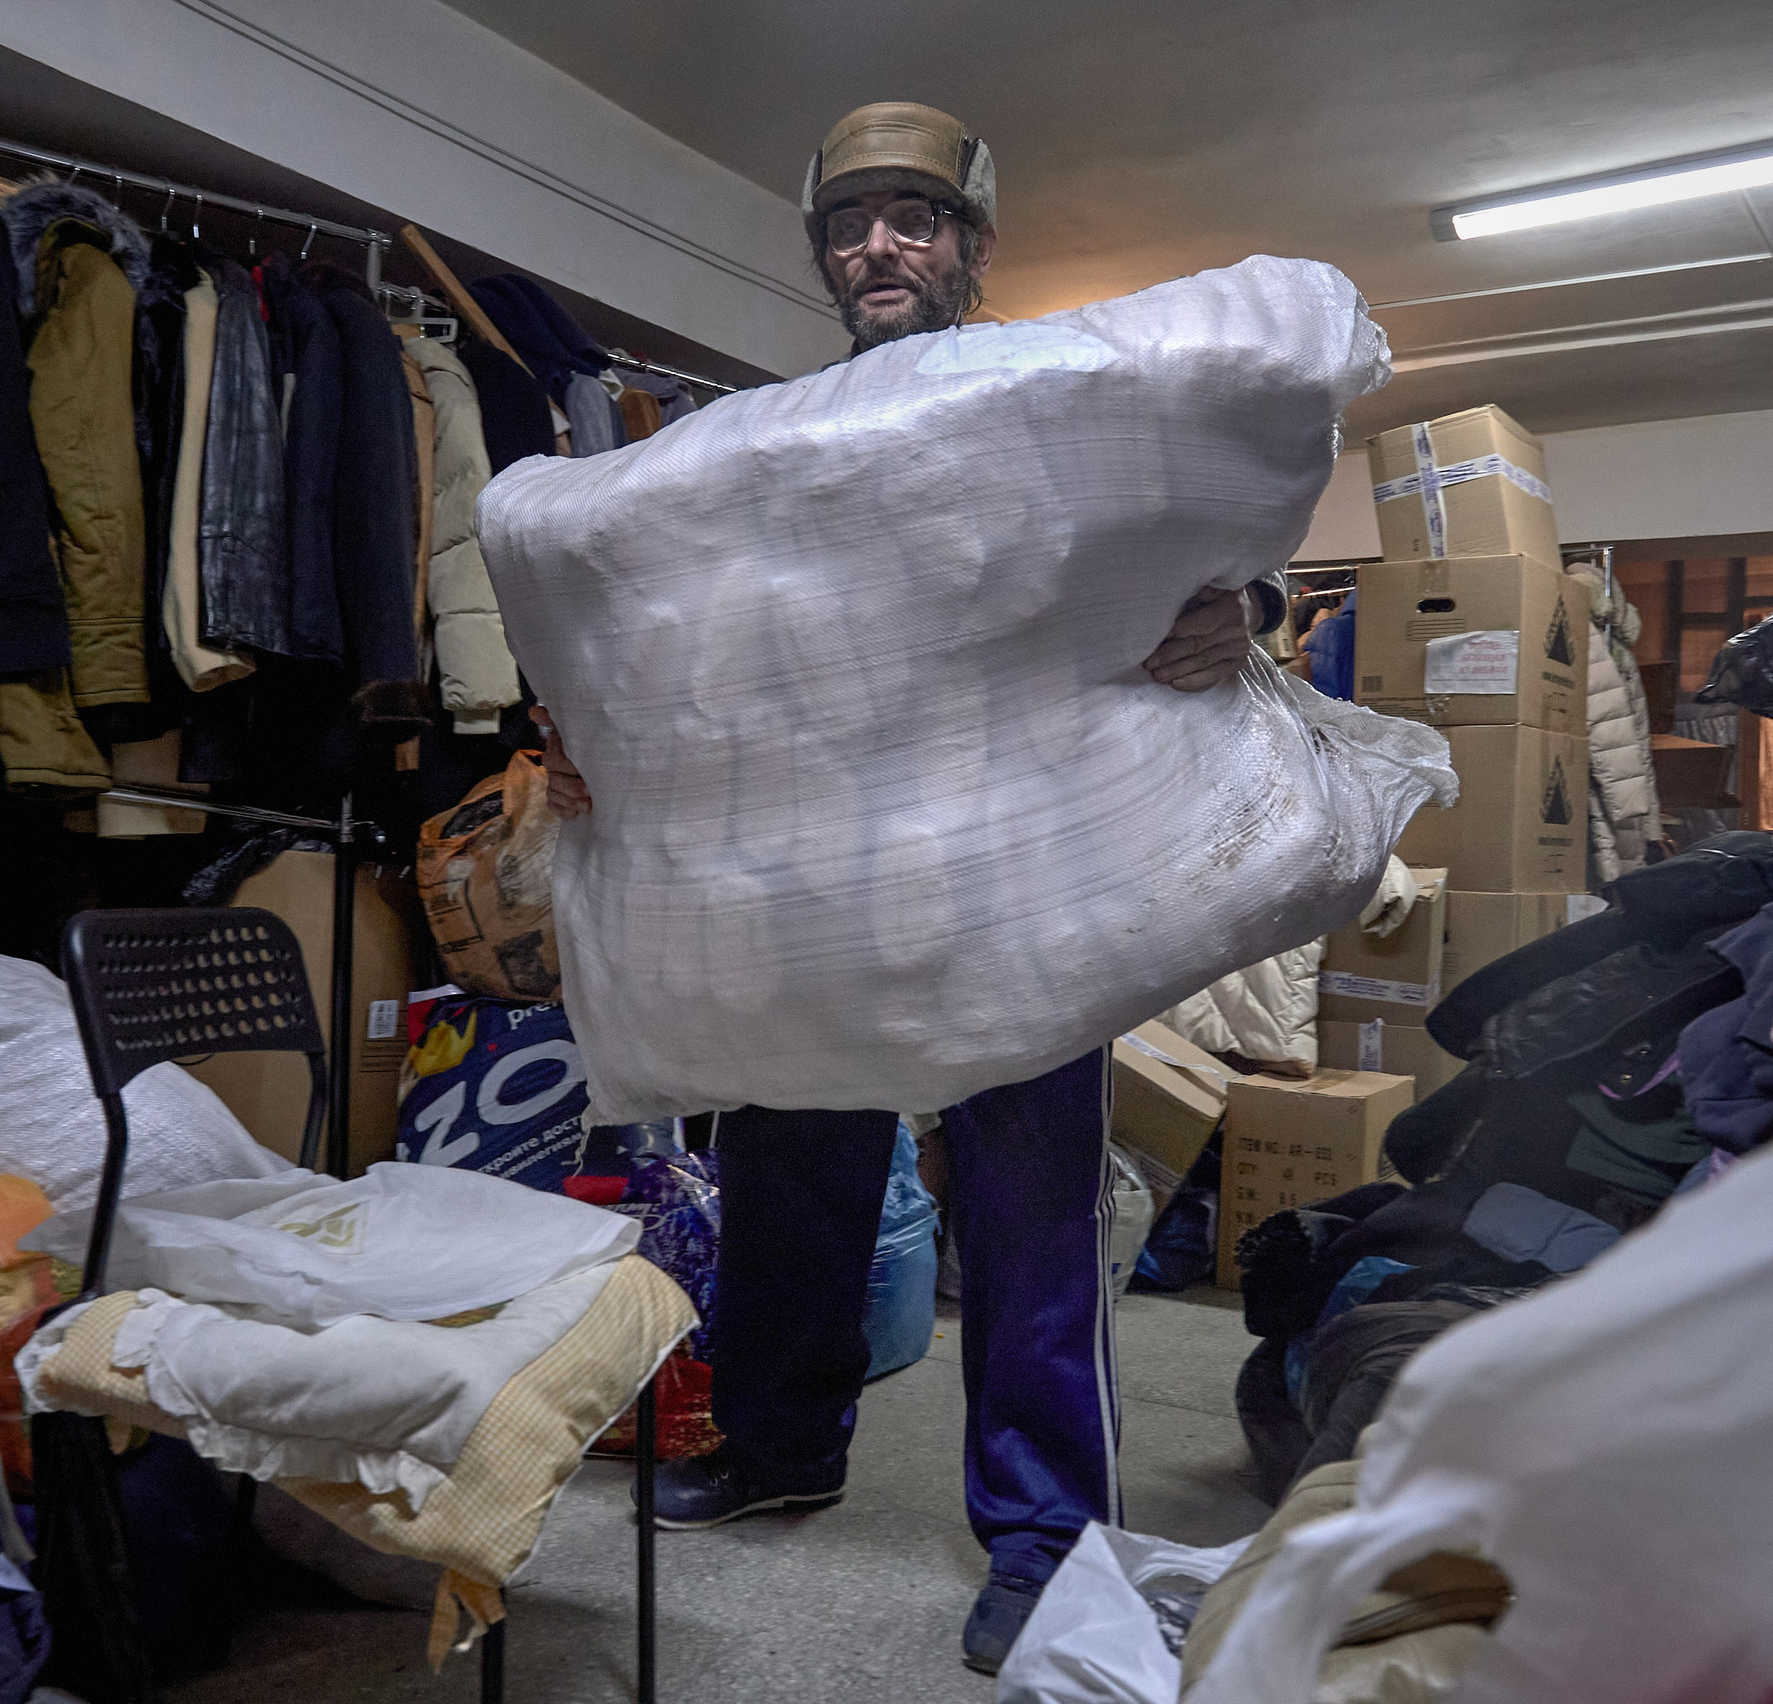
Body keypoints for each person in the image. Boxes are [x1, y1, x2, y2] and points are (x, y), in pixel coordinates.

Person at [533, 101, 1280, 1672]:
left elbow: (1197, 506)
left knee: (1024, 1213)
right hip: (818, 884)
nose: (880, 243)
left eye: (914, 217)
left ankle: (1043, 1532)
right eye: (851, 219)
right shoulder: (771, 439)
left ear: (972, 244)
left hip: (1020, 887)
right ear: (822, 249)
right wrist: (599, 744)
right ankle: (783, 1442)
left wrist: (1252, 604)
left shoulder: (1048, 398)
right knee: (793, 1184)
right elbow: (687, 639)